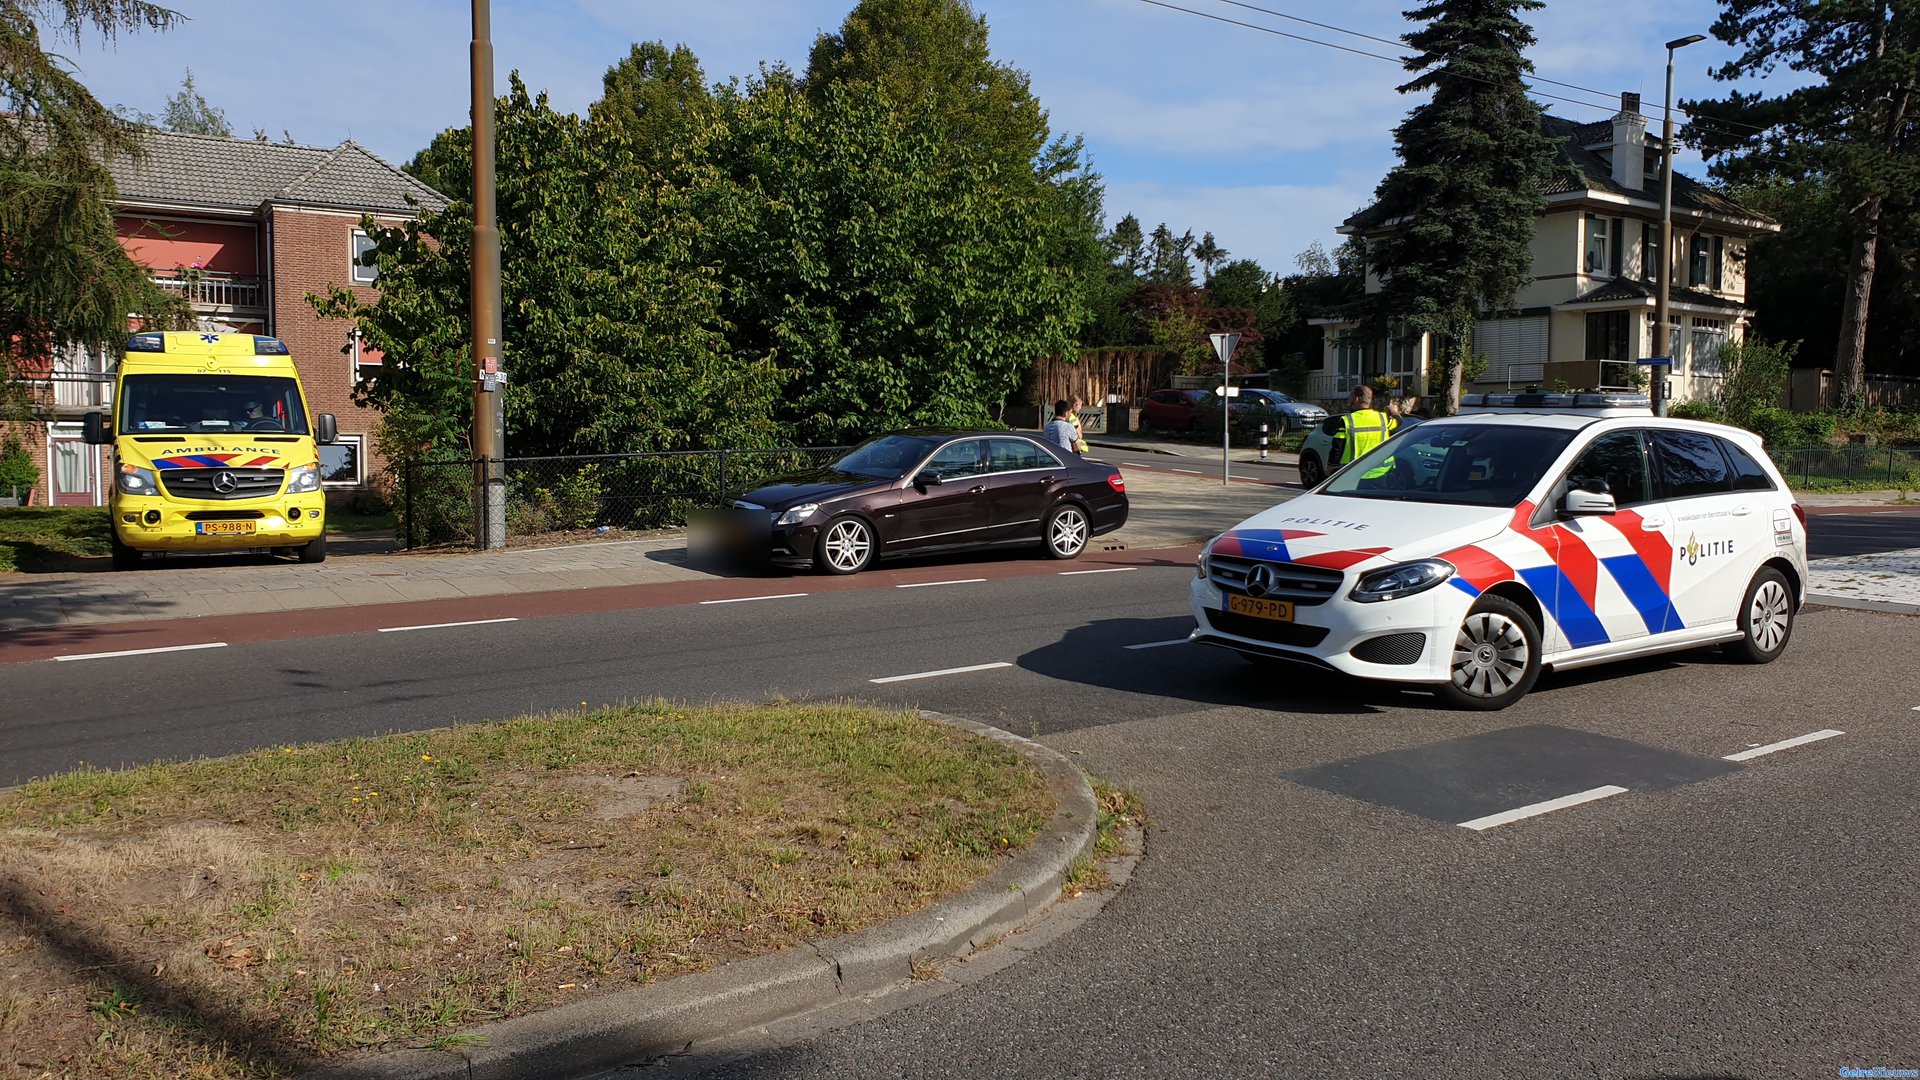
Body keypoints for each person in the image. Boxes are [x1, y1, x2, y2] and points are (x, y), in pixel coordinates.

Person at [1329, 384, 1396, 468]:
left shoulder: (1347, 420)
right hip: (1381, 471)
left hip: (1354, 472)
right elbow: (1399, 423)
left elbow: (1337, 447)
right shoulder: (1383, 418)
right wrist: (1394, 412)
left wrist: (1331, 466)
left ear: (1356, 399)